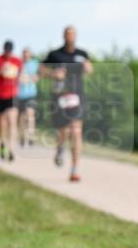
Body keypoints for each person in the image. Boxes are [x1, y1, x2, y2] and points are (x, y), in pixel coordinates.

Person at [41, 25, 93, 182]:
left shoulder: (82, 54)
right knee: (63, 132)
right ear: (63, 36)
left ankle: (75, 169)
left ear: (75, 36)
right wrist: (53, 74)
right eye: (67, 34)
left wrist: (88, 67)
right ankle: (60, 148)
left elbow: (90, 69)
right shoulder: (55, 54)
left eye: (72, 34)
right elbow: (41, 70)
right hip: (60, 96)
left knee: (76, 132)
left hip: (77, 96)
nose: (70, 37)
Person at [0, 41, 23, 162]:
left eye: (10, 51)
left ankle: (11, 150)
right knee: (1, 124)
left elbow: (20, 76)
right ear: (4, 50)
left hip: (12, 95)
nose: (8, 53)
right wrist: (0, 71)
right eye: (7, 51)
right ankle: (2, 144)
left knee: (12, 121)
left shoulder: (17, 61)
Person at [16, 47, 40, 147]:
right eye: (24, 54)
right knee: (21, 117)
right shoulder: (18, 64)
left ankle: (31, 137)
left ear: (30, 54)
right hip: (19, 94)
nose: (26, 56)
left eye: (27, 54)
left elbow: (38, 76)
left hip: (31, 94)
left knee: (30, 115)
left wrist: (33, 78)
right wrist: (19, 78)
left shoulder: (35, 64)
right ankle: (22, 137)